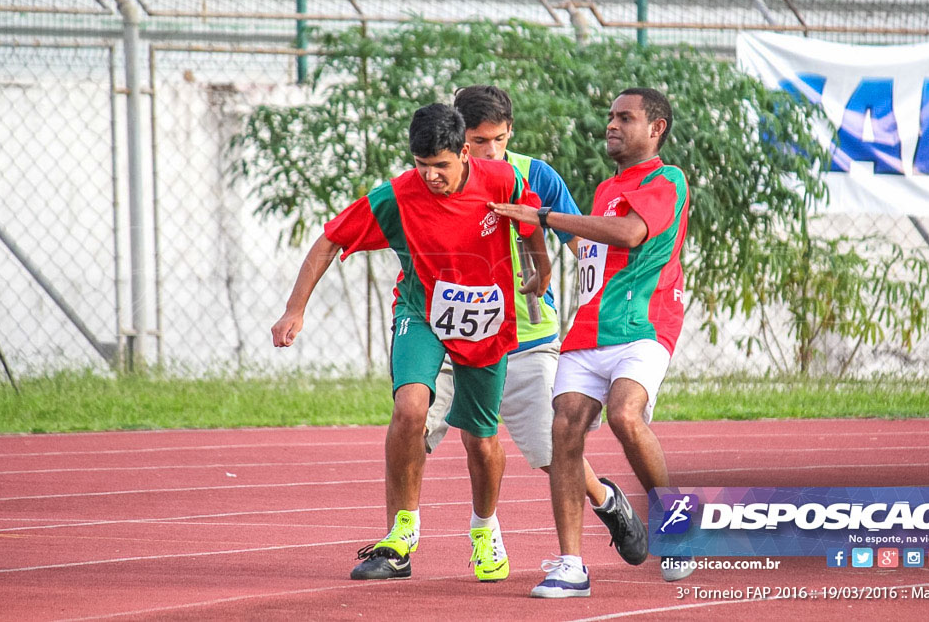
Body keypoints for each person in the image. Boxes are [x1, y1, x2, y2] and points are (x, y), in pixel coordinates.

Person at [271, 103, 551, 581]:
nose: (431, 177)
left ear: (464, 152)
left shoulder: (501, 179)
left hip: (485, 321)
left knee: (480, 440)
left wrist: (539, 269)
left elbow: (528, 224)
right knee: (410, 409)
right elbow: (330, 240)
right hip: (421, 313)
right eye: (422, 166)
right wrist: (295, 308)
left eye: (441, 166)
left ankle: (484, 531)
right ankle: (401, 532)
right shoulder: (398, 195)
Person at [424, 85, 650, 577]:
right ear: (459, 137)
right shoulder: (437, 177)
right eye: (480, 142)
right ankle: (477, 533)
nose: (491, 152)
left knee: (553, 453)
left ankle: (608, 500)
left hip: (528, 336)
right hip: (457, 336)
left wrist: (613, 309)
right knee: (457, 436)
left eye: (500, 140)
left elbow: (579, 243)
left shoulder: (534, 175)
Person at [490, 87, 691, 597]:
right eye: (610, 116)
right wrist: (543, 265)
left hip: (644, 327)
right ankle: (571, 565)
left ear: (656, 128)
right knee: (564, 433)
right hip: (589, 328)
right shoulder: (606, 188)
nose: (613, 125)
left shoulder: (668, 179)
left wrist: (542, 218)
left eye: (626, 117)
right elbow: (594, 250)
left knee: (626, 414)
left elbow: (626, 234)